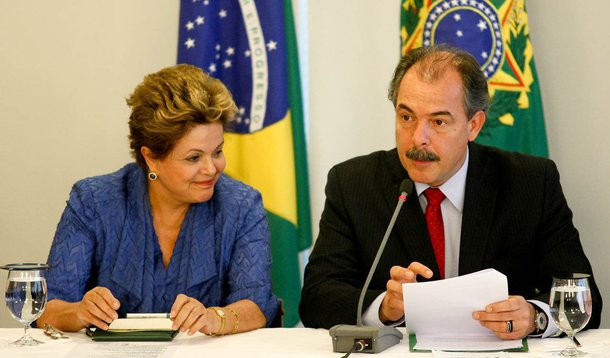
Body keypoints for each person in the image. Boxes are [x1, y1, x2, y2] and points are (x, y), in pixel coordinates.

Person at [299, 45, 602, 339]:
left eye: (439, 121)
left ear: (473, 125)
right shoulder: (353, 183)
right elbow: (316, 298)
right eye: (407, 117)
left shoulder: (530, 182)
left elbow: (583, 296)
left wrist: (534, 316)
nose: (418, 138)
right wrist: (383, 308)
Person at [37, 64, 278, 336]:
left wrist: (214, 318)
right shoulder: (93, 201)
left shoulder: (242, 205)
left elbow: (257, 304)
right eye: (194, 158)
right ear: (152, 158)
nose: (212, 168)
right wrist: (80, 311)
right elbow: (47, 309)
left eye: (218, 151)